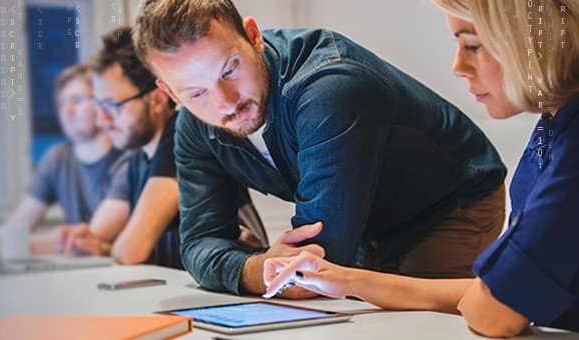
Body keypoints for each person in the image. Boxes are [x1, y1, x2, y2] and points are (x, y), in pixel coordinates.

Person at [132, 0, 507, 298]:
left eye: (229, 70)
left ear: (253, 37)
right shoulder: (193, 125)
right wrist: (258, 269)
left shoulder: (330, 87)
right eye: (195, 92)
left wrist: (263, 270)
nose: (225, 102)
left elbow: (314, 266)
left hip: (448, 207)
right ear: (169, 94)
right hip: (363, 224)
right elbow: (199, 243)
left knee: (420, 327)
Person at [262, 0, 579, 336]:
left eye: (473, 45)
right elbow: (495, 290)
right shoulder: (554, 124)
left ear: (533, 38)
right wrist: (343, 279)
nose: (458, 66)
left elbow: (495, 313)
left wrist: (489, 296)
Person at [63, 27, 268, 269]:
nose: (103, 120)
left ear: (158, 99)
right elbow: (116, 244)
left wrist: (111, 249)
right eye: (100, 107)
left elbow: (132, 251)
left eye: (113, 106)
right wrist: (101, 247)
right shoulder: (140, 158)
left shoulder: (179, 139)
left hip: (241, 287)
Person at [0, 64, 130, 254]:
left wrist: (4, 244)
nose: (67, 111)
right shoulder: (57, 158)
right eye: (61, 103)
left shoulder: (129, 159)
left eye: (76, 100)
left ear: (102, 101)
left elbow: (87, 240)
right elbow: (18, 224)